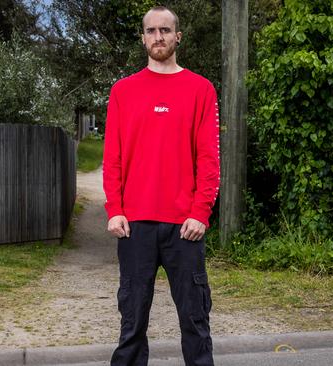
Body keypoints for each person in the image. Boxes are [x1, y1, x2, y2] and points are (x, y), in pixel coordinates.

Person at [102, 5, 220, 366]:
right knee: (132, 322)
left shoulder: (200, 89)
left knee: (195, 322)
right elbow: (113, 159)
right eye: (151, 31)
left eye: (165, 30)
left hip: (185, 228)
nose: (158, 37)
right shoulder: (123, 91)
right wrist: (115, 210)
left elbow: (209, 160)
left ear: (177, 36)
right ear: (143, 38)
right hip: (134, 227)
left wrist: (201, 212)